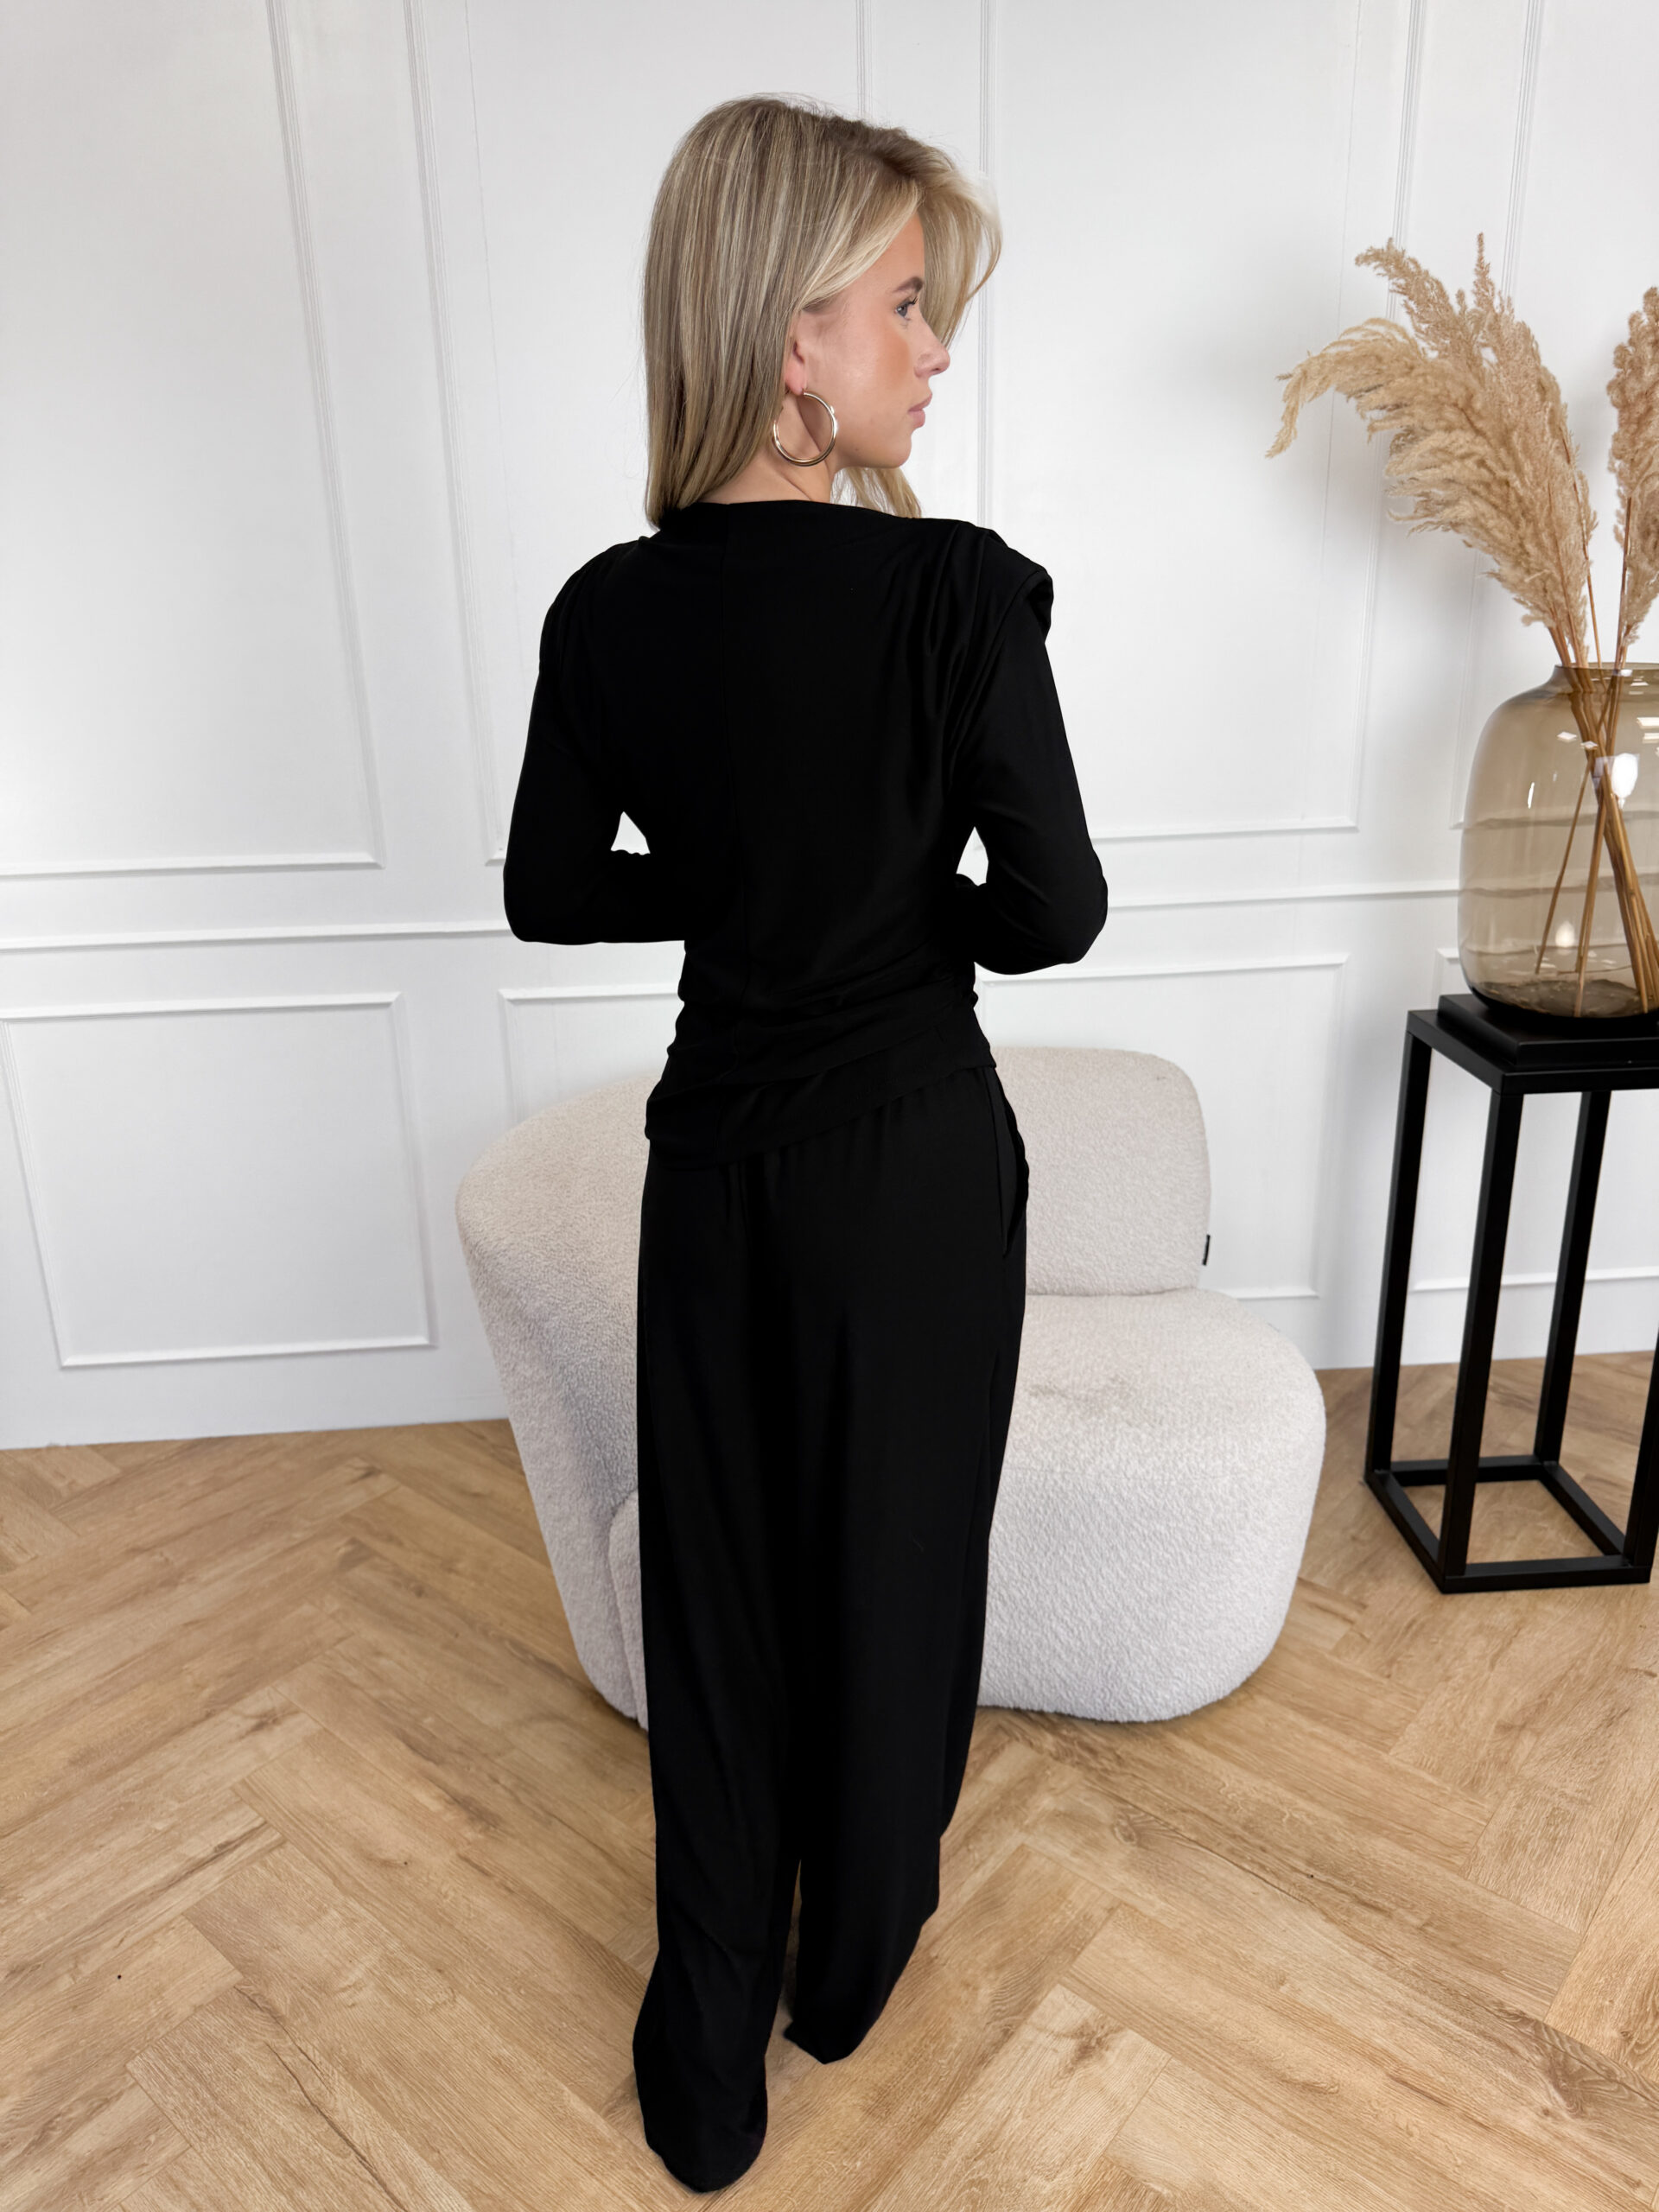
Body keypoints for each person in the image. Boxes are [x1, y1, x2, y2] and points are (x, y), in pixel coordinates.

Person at [501, 92, 1108, 2195]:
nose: (938, 348)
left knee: (725, 1584)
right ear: (792, 342)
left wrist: (749, 888)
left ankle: (706, 2044)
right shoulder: (956, 595)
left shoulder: (607, 614)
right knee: (898, 1560)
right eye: (908, 304)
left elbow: (548, 891)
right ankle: (847, 1963)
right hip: (915, 1165)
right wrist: (899, 906)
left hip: (720, 1168)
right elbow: (1056, 909)